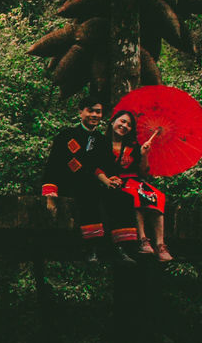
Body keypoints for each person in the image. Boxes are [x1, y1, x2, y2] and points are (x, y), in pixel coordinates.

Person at [42, 97, 137, 262]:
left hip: (95, 183)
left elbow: (105, 167)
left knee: (123, 197)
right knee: (89, 193)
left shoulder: (102, 140)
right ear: (81, 112)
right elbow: (53, 165)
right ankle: (91, 247)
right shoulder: (66, 136)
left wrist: (112, 179)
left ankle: (121, 246)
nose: (94, 114)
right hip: (69, 184)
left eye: (98, 112)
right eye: (90, 110)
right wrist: (50, 190)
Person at [94, 110, 172, 262]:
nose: (124, 126)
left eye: (129, 125)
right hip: (116, 183)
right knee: (133, 196)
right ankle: (142, 239)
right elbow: (95, 166)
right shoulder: (101, 143)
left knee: (158, 196)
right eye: (122, 121)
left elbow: (143, 172)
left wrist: (144, 155)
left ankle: (160, 244)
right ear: (112, 122)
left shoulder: (133, 146)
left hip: (135, 181)